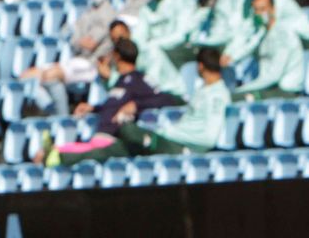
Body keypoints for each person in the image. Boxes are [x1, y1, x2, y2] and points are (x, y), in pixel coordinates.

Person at [49, 47, 231, 166]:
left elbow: (208, 137)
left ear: (200, 66)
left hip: (180, 145)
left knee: (127, 130)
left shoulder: (218, 95)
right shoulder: (203, 91)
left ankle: (58, 154)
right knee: (116, 149)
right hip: (169, 138)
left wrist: (138, 105)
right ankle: (59, 157)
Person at [23, 0, 118, 114]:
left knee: (51, 75)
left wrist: (76, 39)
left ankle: (62, 117)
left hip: (93, 63)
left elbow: (89, 43)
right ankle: (51, 110)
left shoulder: (109, 14)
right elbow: (74, 38)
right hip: (77, 60)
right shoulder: (87, 13)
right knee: (27, 76)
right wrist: (78, 40)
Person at [66, 38, 182, 135]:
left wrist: (136, 105)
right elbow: (113, 106)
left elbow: (166, 99)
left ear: (116, 56)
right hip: (99, 133)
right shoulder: (119, 82)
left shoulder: (139, 79)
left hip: (117, 138)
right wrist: (93, 108)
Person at [132, 0, 201, 95]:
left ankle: (152, 89)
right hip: (156, 52)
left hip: (183, 49)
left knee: (153, 49)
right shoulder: (146, 8)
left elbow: (181, 35)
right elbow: (138, 38)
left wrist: (153, 44)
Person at [232, 0, 306, 99]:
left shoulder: (283, 34)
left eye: (263, 9)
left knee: (240, 98)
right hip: (268, 88)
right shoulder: (262, 33)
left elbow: (274, 76)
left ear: (273, 9)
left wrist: (242, 89)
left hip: (285, 91)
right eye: (256, 10)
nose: (259, 13)